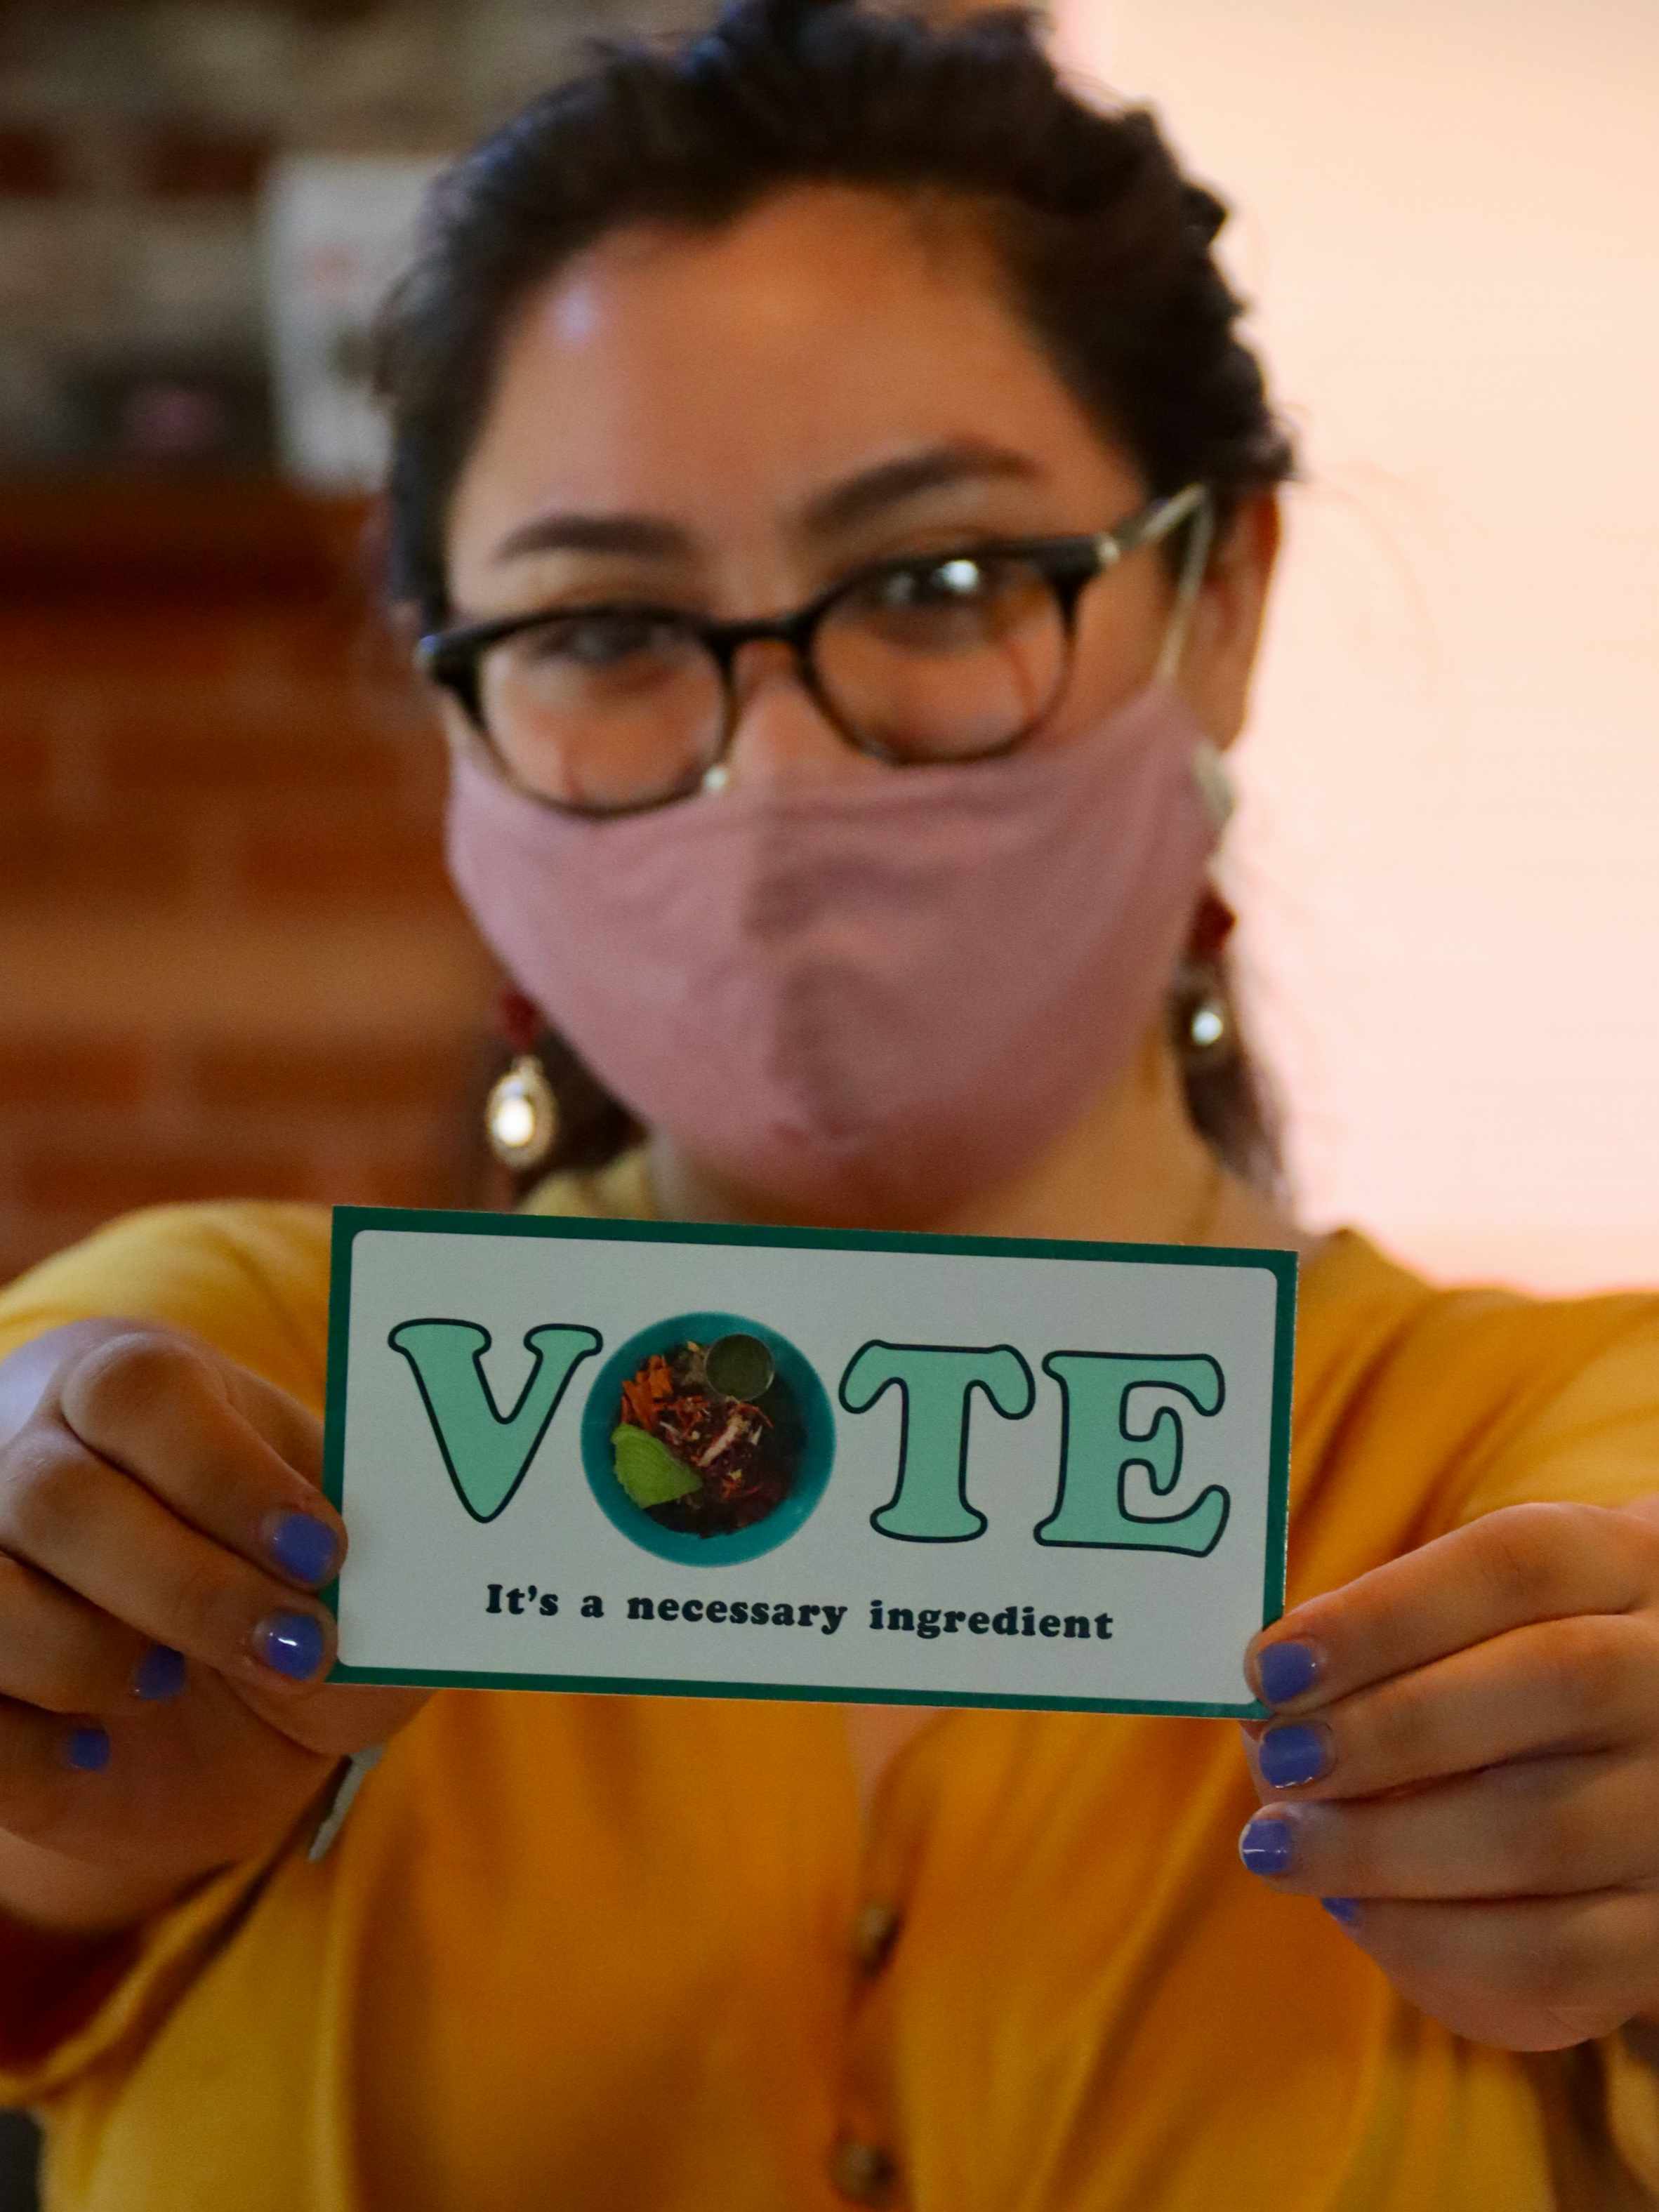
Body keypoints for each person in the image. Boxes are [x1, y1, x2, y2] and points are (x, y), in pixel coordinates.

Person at [1, 4, 1656, 2206]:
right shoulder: (249, 1398)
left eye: (942, 585)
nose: (775, 772)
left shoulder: (1541, 1469)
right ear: (458, 714)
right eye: (603, 628)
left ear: (1220, 602)